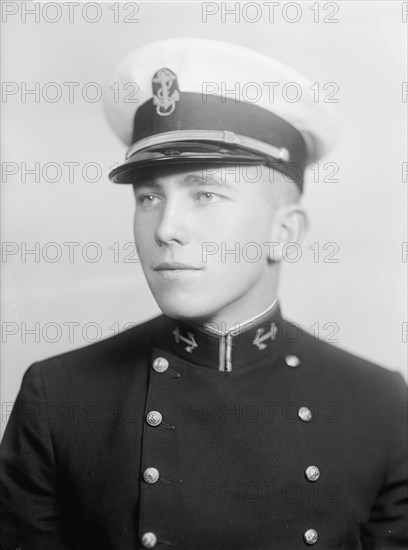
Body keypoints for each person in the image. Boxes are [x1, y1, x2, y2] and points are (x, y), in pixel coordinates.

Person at [1, 38, 407, 550]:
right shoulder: (58, 397)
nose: (166, 228)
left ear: (285, 232)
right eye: (149, 197)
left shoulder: (379, 405)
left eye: (206, 194)